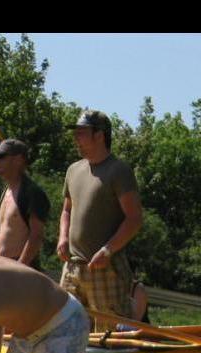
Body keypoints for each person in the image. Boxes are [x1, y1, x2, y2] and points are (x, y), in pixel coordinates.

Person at [57, 110, 143, 322]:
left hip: (107, 268)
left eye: (81, 132)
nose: (76, 137)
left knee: (111, 333)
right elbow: (67, 209)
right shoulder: (73, 169)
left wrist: (108, 250)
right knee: (65, 328)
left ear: (99, 135)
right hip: (72, 267)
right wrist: (63, 238)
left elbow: (134, 218)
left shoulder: (119, 170)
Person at [0, 138, 49, 268]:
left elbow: (36, 236)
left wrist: (20, 269)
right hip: (0, 267)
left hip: (20, 270)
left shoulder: (32, 192)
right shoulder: (6, 191)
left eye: (1, 157)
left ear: (18, 159)